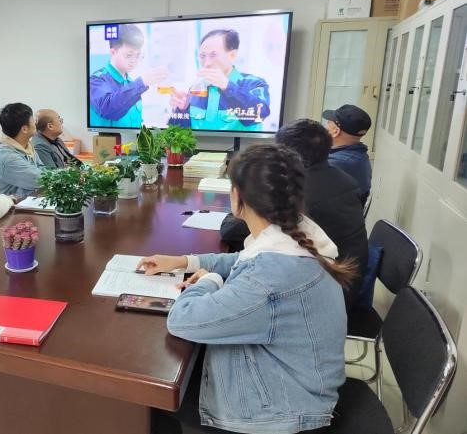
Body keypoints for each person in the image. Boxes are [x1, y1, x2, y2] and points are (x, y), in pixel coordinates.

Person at [139, 144, 352, 434]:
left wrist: (209, 280)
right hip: (296, 382)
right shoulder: (297, 234)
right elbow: (241, 259)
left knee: (154, 393)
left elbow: (182, 319)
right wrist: (184, 261)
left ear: (237, 195)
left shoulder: (271, 277)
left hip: (281, 411)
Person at [220, 120, 368, 309]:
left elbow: (231, 230)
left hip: (317, 299)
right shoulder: (345, 180)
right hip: (345, 285)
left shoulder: (295, 192)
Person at [169, 29, 271, 131]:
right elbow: (180, 134)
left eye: (213, 55)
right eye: (202, 56)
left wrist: (227, 86)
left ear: (232, 55)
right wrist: (181, 110)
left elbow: (261, 114)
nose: (207, 63)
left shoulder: (253, 84)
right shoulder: (196, 89)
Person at [89, 24, 168, 128]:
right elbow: (108, 108)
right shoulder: (97, 80)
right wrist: (142, 82)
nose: (134, 60)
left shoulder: (131, 83)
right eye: (129, 55)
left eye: (138, 55)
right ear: (113, 52)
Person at [0, 102, 45, 197]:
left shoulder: (26, 146)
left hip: (25, 200)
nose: (36, 123)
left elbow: (42, 168)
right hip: (11, 205)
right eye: (33, 120)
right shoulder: (8, 157)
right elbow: (40, 180)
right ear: (24, 129)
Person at [322, 104, 373, 205]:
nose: (324, 127)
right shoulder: (357, 154)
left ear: (335, 132)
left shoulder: (338, 163)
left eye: (328, 123)